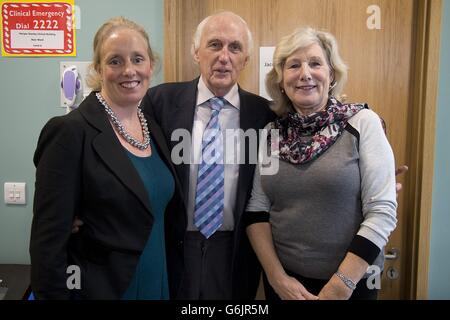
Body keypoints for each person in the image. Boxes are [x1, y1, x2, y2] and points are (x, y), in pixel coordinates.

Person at [30, 17, 184, 299]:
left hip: (158, 280)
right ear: (99, 69)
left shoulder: (154, 127)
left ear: (151, 65)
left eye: (138, 59)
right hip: (104, 288)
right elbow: (47, 243)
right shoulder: (70, 132)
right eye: (115, 61)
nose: (129, 70)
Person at [244, 26, 398, 300]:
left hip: (351, 287)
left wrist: (339, 287)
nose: (305, 74)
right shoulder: (272, 133)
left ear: (332, 74)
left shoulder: (363, 123)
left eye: (315, 63)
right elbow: (257, 209)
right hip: (285, 286)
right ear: (281, 80)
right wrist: (277, 278)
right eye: (294, 65)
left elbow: (382, 211)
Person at [141, 11, 275, 299]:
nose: (224, 56)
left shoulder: (265, 114)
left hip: (235, 250)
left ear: (246, 60)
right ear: (196, 52)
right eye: (215, 44)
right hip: (174, 245)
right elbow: (131, 162)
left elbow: (284, 177)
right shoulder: (159, 102)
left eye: (235, 47)